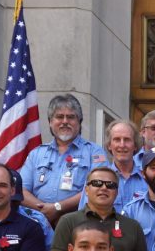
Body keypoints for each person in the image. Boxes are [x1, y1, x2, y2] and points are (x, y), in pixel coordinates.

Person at [20, 94, 108, 225]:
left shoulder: (94, 152)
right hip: (38, 222)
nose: (65, 121)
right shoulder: (36, 154)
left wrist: (57, 208)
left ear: (79, 122)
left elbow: (97, 188)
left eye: (71, 117)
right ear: (50, 122)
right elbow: (21, 190)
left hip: (78, 224)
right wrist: (44, 211)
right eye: (59, 117)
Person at [90, 119, 146, 212]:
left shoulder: (147, 180)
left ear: (135, 145)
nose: (122, 145)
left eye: (127, 140)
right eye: (117, 140)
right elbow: (85, 215)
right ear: (109, 145)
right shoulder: (96, 179)